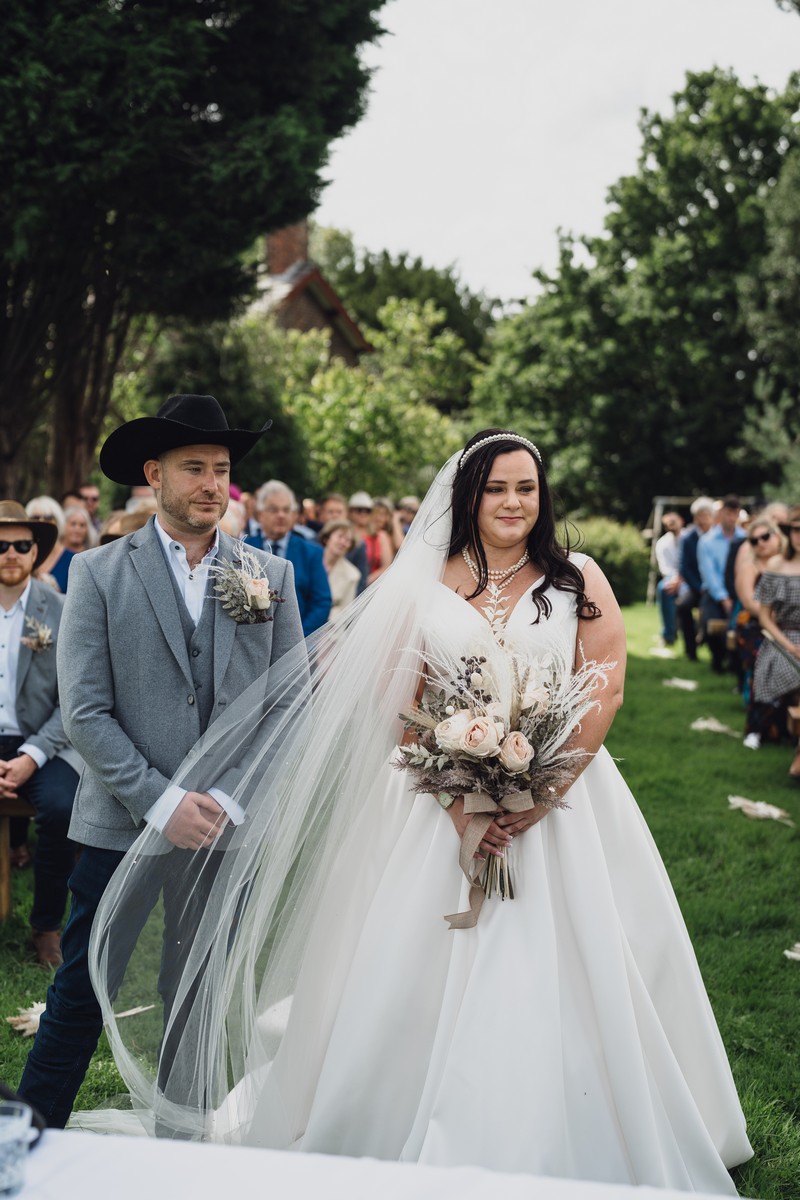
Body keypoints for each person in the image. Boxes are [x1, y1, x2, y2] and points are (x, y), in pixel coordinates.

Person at [81, 429, 750, 1191]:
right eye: (495, 489)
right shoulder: (427, 574)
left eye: (525, 489)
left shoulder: (578, 577)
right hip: (433, 801)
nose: (511, 503)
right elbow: (397, 695)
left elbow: (606, 684)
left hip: (563, 803)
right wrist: (463, 797)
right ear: (468, 496)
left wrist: (538, 795)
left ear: (543, 495)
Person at [17, 394, 305, 1129]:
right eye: (194, 469)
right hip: (122, 819)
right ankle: (32, 1128)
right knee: (86, 980)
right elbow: (84, 712)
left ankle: (184, 1136)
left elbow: (286, 705)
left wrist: (229, 803)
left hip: (226, 830)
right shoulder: (99, 572)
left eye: (222, 470)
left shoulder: (269, 575)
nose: (212, 483)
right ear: (154, 474)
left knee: (199, 989)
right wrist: (163, 803)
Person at [0, 502, 82, 966]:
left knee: (61, 810)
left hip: (44, 743)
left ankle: (47, 925)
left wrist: (32, 755)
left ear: (35, 552)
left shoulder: (63, 609)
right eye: (0, 545)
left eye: (21, 544)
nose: (10, 553)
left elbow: (74, 698)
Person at [246, 481, 331, 636]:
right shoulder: (244, 549)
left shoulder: (311, 552)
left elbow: (322, 601)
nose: (281, 515)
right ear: (260, 514)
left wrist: (299, 638)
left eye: (286, 510)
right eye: (274, 509)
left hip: (298, 642)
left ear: (294, 515)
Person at [752, 505, 800, 779]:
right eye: (795, 530)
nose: (799, 536)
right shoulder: (776, 565)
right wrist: (790, 645)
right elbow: (765, 617)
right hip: (781, 638)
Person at [733, 515, 786, 749]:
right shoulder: (750, 566)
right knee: (763, 672)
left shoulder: (789, 563)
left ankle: (780, 730)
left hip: (786, 628)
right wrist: (775, 616)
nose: (760, 543)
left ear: (777, 536)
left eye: (765, 537)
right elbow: (749, 602)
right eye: (754, 541)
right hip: (754, 629)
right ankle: (754, 730)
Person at [697, 496, 744, 673]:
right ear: (721, 514)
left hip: (739, 590)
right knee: (711, 624)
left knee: (740, 624)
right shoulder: (706, 541)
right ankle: (717, 660)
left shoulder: (745, 539)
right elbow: (709, 574)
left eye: (735, 514)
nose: (731, 518)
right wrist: (723, 597)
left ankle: (735, 663)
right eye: (728, 513)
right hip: (714, 592)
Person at [677, 497, 715, 661]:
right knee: (683, 606)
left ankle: (716, 651)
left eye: (706, 515)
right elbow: (684, 567)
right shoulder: (688, 538)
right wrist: (699, 587)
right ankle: (690, 650)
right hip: (697, 586)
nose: (703, 519)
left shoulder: (716, 536)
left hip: (714, 586)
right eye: (700, 515)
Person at [318, 519, 360, 622]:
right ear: (327, 538)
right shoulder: (309, 560)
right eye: (340, 536)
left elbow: (345, 610)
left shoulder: (352, 574)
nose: (343, 542)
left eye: (347, 540)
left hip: (330, 628)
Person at [348, 491, 393, 584]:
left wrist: (365, 581)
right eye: (359, 510)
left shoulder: (380, 536)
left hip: (370, 586)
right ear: (350, 512)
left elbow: (386, 566)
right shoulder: (345, 533)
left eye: (367, 510)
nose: (363, 513)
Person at [654, 509, 684, 647]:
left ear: (681, 521)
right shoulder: (662, 543)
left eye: (673, 522)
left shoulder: (689, 538)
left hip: (689, 579)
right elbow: (665, 568)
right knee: (663, 588)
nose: (671, 526)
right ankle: (668, 634)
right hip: (672, 579)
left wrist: (682, 579)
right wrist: (676, 580)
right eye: (667, 524)